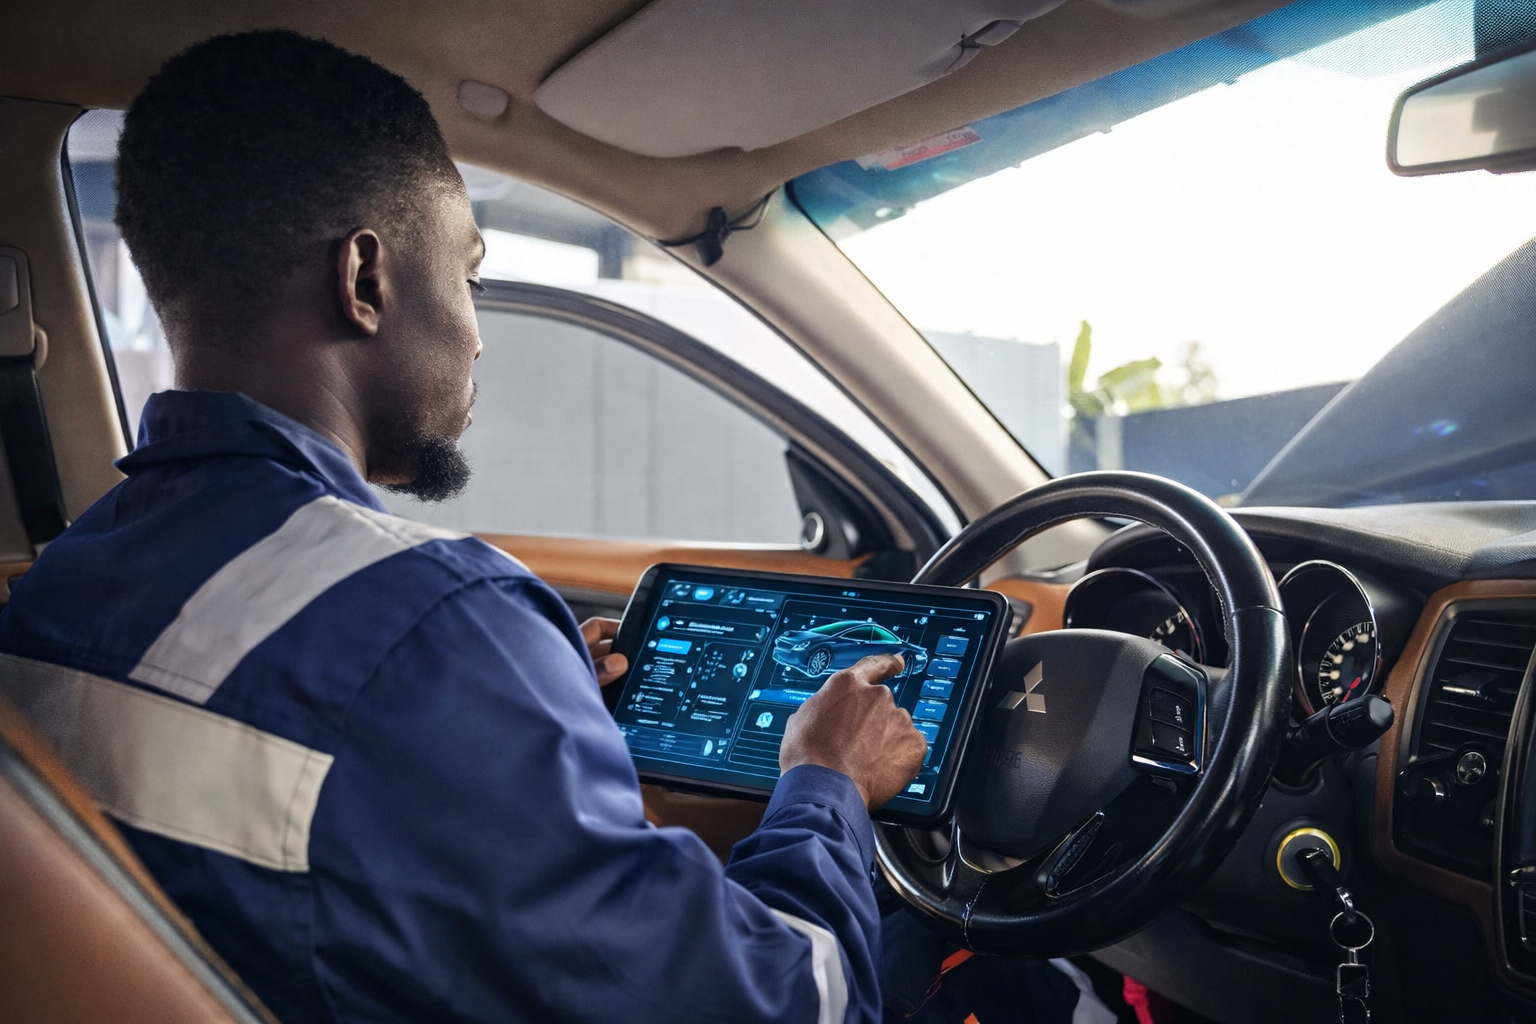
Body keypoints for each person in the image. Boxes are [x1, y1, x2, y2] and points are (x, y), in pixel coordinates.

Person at [0, 29, 1109, 1024]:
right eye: (470, 274)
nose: (478, 338)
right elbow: (783, 1000)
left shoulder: (63, 582)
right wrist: (826, 779)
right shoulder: (435, 624)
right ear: (368, 277)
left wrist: (512, 715)